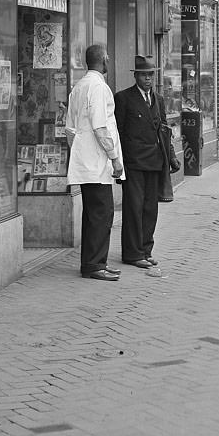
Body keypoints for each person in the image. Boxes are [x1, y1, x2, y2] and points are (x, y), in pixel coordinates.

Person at [65, 44, 124, 282]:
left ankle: (93, 262)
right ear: (103, 60)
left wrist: (78, 152)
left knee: (92, 214)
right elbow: (101, 127)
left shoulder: (79, 87)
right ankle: (94, 264)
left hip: (86, 161)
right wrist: (115, 158)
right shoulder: (98, 87)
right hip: (98, 163)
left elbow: (69, 128)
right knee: (102, 213)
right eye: (108, 58)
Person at [114, 55, 168, 270]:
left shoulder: (159, 99)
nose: (148, 79)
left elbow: (164, 130)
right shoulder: (124, 98)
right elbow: (118, 131)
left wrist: (170, 157)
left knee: (149, 209)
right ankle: (132, 253)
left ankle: (146, 249)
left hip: (155, 161)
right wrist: (118, 161)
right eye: (144, 75)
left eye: (150, 75)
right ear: (135, 76)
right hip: (133, 162)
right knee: (133, 208)